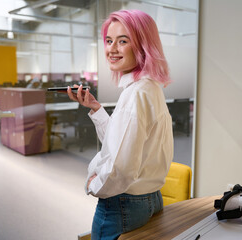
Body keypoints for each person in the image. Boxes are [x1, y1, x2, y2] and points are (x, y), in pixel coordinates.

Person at [67, 9, 173, 240]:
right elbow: (126, 144)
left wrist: (95, 185)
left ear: (142, 45)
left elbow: (120, 169)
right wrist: (96, 108)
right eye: (108, 40)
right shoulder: (150, 87)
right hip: (150, 197)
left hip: (123, 203)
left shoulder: (135, 94)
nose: (112, 49)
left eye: (122, 41)